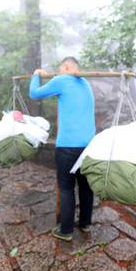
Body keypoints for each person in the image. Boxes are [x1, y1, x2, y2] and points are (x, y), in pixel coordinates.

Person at [30, 57, 95, 241]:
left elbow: (34, 93)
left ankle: (65, 231)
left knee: (66, 187)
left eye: (60, 69)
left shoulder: (61, 79)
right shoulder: (86, 83)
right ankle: (85, 223)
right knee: (85, 186)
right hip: (89, 146)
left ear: (65, 67)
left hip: (68, 146)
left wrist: (36, 75)